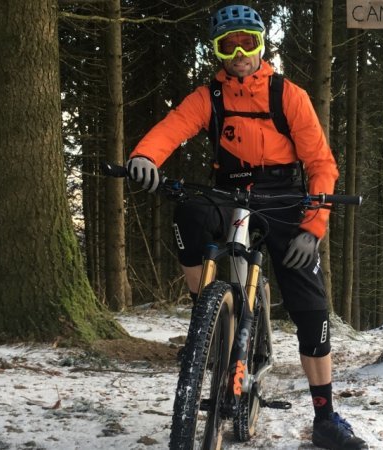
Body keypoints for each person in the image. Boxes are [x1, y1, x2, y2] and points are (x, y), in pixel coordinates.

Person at [124, 5, 368, 450]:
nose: (239, 53)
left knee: (311, 307)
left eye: (247, 42)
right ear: (217, 51)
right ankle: (208, 317)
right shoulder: (209, 97)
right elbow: (172, 127)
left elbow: (320, 163)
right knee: (189, 216)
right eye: (228, 44)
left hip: (283, 197)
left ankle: (325, 416)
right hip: (229, 194)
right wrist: (145, 156)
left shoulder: (287, 95)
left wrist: (312, 228)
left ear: (261, 45)